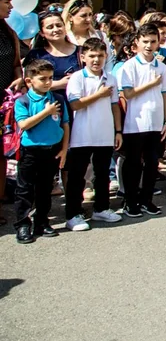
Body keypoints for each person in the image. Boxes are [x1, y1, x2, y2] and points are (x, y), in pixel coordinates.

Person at [63, 38, 123, 231]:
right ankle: (73, 214)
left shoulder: (110, 77)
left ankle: (102, 208)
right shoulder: (77, 78)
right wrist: (99, 94)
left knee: (103, 173)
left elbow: (115, 105)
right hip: (82, 134)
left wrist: (118, 130)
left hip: (104, 133)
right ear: (83, 57)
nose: (96, 60)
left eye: (100, 56)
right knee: (77, 175)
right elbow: (75, 104)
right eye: (92, 56)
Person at [116, 23, 166, 217]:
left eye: (153, 41)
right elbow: (128, 93)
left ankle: (146, 199)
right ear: (137, 43)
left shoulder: (162, 67)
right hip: (135, 122)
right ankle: (130, 201)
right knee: (133, 163)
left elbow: (165, 94)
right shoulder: (129, 66)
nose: (149, 45)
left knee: (152, 162)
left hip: (156, 122)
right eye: (145, 41)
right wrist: (150, 84)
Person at [13, 59, 70, 243]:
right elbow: (24, 124)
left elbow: (65, 124)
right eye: (43, 79)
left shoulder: (58, 99)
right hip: (30, 151)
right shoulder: (23, 101)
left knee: (45, 188)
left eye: (51, 78)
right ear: (29, 81)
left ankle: (41, 221)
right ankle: (23, 224)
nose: (48, 82)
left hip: (52, 150)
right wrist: (46, 112)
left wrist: (64, 148)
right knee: (25, 189)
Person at [27, 9, 83, 111]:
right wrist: (58, 84)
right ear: (42, 33)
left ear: (65, 27)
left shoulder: (81, 52)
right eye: (50, 27)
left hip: (78, 107)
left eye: (58, 25)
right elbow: (29, 84)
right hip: (45, 108)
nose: (55, 29)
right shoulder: (36, 55)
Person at [0, 0, 24, 91]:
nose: (11, 6)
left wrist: (19, 78)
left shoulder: (9, 33)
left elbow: (16, 64)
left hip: (5, 97)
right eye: (7, 2)